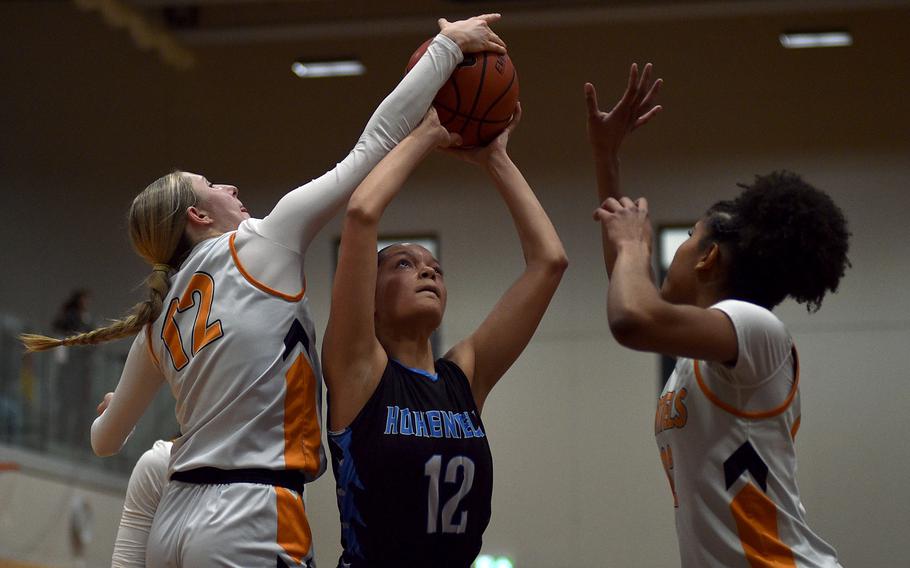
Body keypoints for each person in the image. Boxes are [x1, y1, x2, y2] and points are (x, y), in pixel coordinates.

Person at [21, 15, 506, 567]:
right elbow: (373, 145)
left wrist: (112, 407)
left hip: (173, 521)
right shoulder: (259, 243)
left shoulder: (156, 320)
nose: (230, 186)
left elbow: (104, 441)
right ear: (199, 215)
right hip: (249, 514)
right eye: (213, 185)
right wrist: (447, 47)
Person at [585, 63, 848, 567]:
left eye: (686, 240)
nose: (676, 250)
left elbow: (631, 317)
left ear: (709, 258)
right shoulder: (707, 353)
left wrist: (635, 244)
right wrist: (606, 156)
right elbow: (627, 287)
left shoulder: (756, 328)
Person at [322, 103, 567, 567]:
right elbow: (361, 213)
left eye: (435, 268)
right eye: (404, 264)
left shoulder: (463, 378)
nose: (428, 272)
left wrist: (497, 159)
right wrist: (425, 134)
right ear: (367, 297)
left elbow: (548, 262)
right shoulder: (358, 370)